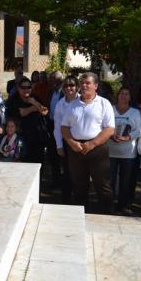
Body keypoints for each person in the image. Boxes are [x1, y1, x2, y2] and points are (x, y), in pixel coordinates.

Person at [61, 72, 115, 214]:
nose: (84, 86)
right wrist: (71, 142)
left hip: (97, 149)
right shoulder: (72, 105)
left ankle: (106, 216)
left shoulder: (104, 103)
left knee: (102, 185)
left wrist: (92, 144)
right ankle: (80, 216)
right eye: (82, 83)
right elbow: (64, 127)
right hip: (76, 149)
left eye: (88, 83)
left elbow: (109, 129)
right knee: (79, 186)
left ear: (95, 85)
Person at [107, 87, 141, 215]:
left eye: (127, 94)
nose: (124, 96)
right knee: (110, 180)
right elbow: (102, 125)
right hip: (111, 151)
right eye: (122, 93)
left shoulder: (135, 112)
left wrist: (127, 137)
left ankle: (124, 205)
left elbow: (139, 130)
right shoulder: (110, 109)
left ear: (130, 97)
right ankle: (109, 204)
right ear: (118, 96)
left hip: (128, 153)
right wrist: (111, 136)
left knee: (126, 180)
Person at [6, 77, 48, 167]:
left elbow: (44, 112)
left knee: (37, 165)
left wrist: (34, 102)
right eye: (23, 87)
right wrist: (34, 108)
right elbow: (21, 112)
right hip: (20, 139)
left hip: (37, 138)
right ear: (18, 88)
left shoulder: (35, 98)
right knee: (22, 163)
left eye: (28, 87)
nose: (26, 89)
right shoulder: (13, 100)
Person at [53, 75, 80, 204]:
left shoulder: (83, 101)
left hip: (82, 141)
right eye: (66, 86)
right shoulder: (60, 104)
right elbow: (57, 127)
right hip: (66, 142)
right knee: (67, 172)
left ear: (77, 87)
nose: (69, 88)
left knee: (81, 173)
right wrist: (59, 145)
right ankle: (67, 200)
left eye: (72, 85)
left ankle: (81, 200)